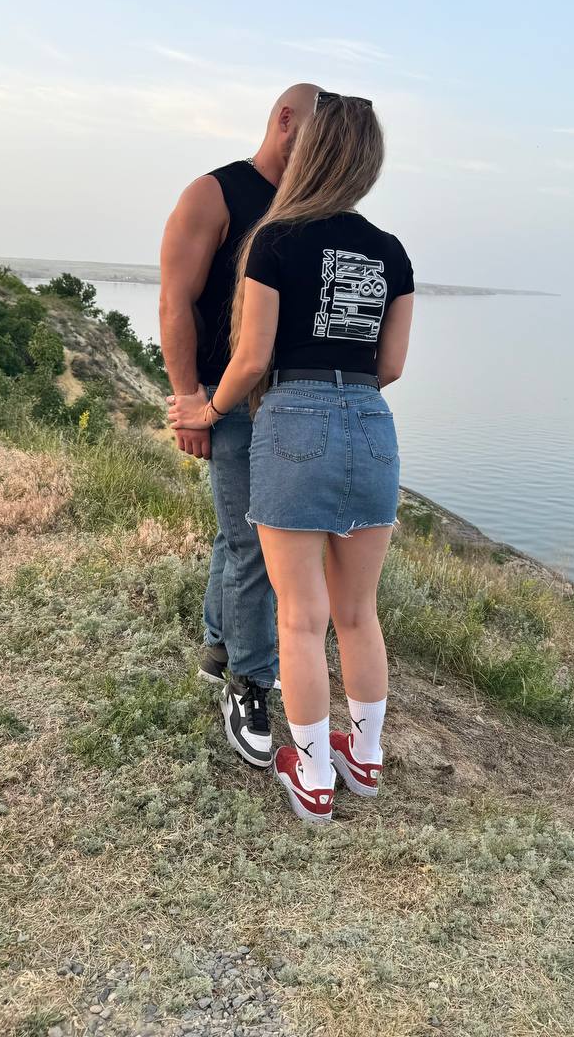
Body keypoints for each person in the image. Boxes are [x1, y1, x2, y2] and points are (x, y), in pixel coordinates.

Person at [167, 92, 414, 824]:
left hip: (292, 416)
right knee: (358, 614)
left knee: (301, 619)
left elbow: (250, 360)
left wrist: (207, 410)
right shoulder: (392, 251)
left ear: (314, 150)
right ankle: (364, 759)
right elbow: (391, 364)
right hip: (371, 421)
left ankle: (311, 775)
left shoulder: (274, 240)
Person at [159, 83, 321, 770]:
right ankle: (250, 680)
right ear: (286, 121)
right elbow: (176, 301)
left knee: (240, 532)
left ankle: (218, 645)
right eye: (318, 136)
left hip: (290, 402)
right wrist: (189, 399)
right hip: (227, 401)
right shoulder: (215, 194)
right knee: (254, 540)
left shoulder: (311, 205)